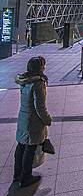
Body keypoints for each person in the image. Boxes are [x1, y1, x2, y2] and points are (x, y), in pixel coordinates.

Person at [14, 56, 52, 187]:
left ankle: (17, 175)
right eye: (43, 65)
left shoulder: (25, 80)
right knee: (30, 148)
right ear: (40, 67)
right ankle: (25, 178)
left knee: (21, 146)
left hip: (23, 117)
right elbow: (40, 107)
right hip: (33, 120)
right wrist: (47, 119)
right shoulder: (38, 83)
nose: (45, 67)